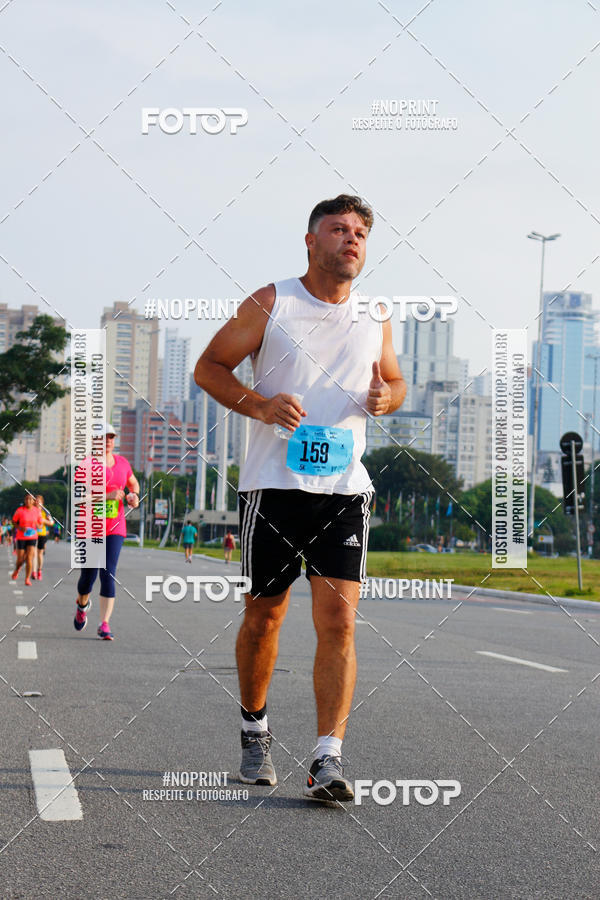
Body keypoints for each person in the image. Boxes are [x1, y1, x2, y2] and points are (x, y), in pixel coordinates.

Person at [194, 194, 405, 802]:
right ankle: (255, 731)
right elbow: (210, 367)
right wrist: (260, 404)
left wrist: (389, 395)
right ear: (311, 242)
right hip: (273, 486)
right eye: (339, 229)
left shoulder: (375, 315)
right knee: (266, 615)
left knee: (339, 620)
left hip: (343, 489)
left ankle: (327, 760)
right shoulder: (273, 302)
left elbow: (393, 379)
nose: (352, 239)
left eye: (360, 231)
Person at [73, 423, 139, 640]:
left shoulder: (122, 463)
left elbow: (133, 484)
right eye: (103, 437)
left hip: (115, 526)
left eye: (111, 437)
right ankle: (82, 606)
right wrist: (107, 495)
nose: (108, 441)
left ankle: (104, 624)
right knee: (87, 578)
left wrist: (133, 496)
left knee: (108, 573)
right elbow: (80, 498)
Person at [11, 494, 42, 586]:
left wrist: (38, 526)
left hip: (32, 537)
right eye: (26, 499)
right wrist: (20, 528)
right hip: (21, 537)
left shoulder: (37, 511)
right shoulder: (20, 511)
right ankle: (17, 570)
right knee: (20, 559)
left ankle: (27, 578)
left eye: (30, 499)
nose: (28, 501)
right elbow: (14, 522)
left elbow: (40, 525)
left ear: (33, 501)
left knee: (29, 558)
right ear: (24, 500)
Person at [32, 495, 53, 581]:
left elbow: (51, 522)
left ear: (42, 503)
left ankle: (39, 570)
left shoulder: (45, 512)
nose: (37, 502)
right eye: (36, 501)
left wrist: (45, 521)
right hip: (33, 534)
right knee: (34, 553)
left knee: (40, 553)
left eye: (39, 501)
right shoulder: (31, 510)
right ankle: (33, 572)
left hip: (42, 534)